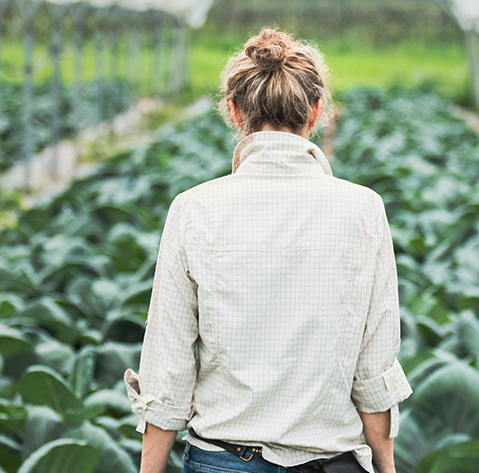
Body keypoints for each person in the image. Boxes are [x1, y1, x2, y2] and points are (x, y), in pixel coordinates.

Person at [124, 27, 413, 473]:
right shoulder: (364, 209)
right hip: (330, 461)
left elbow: (168, 366)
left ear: (236, 113)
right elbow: (373, 369)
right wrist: (387, 465)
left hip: (224, 460)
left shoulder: (193, 209)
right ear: (316, 113)